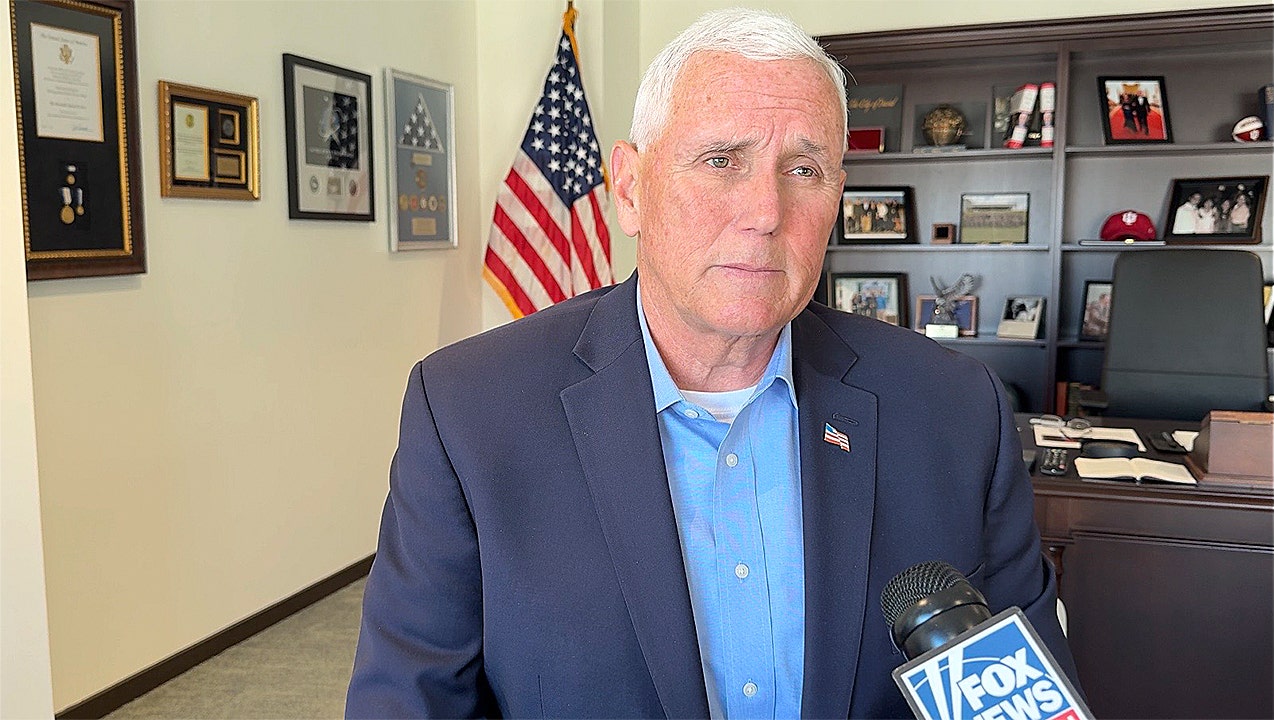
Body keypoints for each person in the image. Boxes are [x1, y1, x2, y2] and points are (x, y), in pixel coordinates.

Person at [346, 8, 1077, 719]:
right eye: (721, 160)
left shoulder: (955, 408)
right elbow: (409, 701)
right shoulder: (470, 411)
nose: (766, 212)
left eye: (804, 168)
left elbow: (1026, 697)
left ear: (837, 197)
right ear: (630, 188)